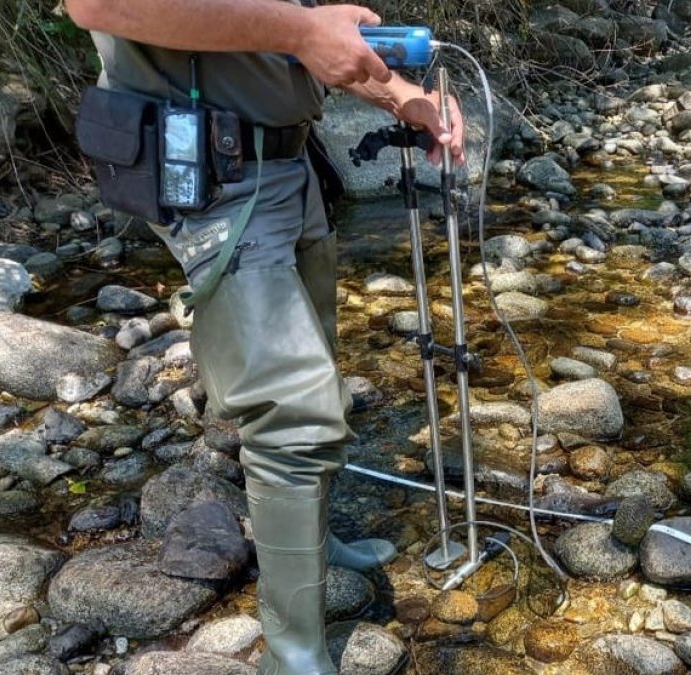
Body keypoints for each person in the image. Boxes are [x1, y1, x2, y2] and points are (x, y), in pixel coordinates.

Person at [63, 2, 465, 673]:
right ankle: (293, 653)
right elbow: (97, 4)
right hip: (217, 177)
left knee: (317, 369)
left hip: (288, 166)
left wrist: (400, 93)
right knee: (292, 414)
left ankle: (315, 544)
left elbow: (284, 48)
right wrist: (302, 31)